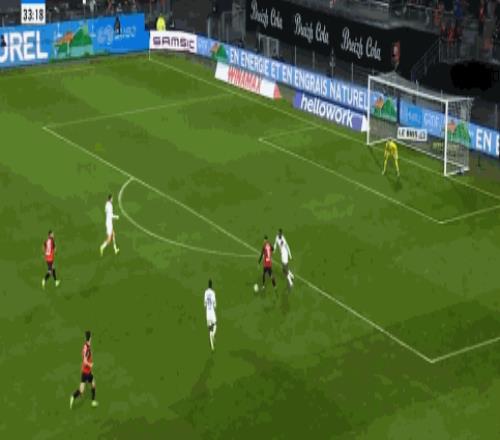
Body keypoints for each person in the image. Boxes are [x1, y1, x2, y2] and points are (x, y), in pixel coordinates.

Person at [70, 331, 98, 409]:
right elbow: (85, 361)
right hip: (86, 372)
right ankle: (73, 396)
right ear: (90, 338)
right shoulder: (87, 348)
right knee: (81, 391)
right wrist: (90, 364)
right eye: (91, 337)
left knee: (93, 384)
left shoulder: (86, 346)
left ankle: (93, 401)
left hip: (87, 371)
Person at [204, 280, 217, 352]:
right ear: (211, 285)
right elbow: (215, 305)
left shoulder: (206, 292)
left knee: (210, 328)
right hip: (212, 312)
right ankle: (213, 335)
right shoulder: (213, 292)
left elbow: (205, 304)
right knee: (215, 325)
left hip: (207, 313)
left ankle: (212, 347)